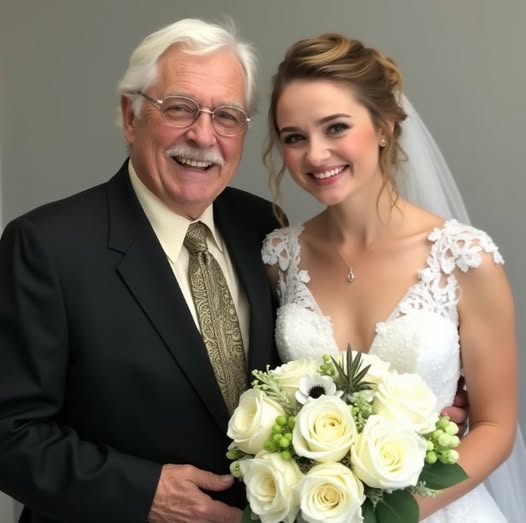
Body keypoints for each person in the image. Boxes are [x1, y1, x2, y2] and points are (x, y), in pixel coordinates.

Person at [0, 18, 282, 523]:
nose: (203, 135)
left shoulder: (265, 228)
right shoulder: (46, 247)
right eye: (179, 108)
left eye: (227, 115)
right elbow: (9, 431)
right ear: (130, 116)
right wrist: (144, 493)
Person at [261, 34, 523, 522]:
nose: (315, 154)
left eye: (336, 127)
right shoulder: (279, 258)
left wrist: (387, 517)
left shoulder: (464, 259)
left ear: (383, 127)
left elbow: (495, 428)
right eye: (294, 137)